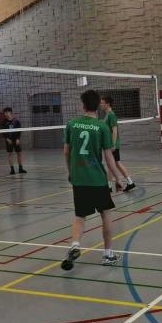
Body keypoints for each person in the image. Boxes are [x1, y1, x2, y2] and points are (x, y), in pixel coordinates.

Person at [61, 90, 122, 270]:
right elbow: (109, 157)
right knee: (106, 214)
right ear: (98, 107)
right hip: (98, 179)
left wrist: (71, 172)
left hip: (79, 179)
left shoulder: (72, 124)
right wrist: (118, 178)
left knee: (80, 216)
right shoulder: (102, 127)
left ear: (83, 105)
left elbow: (66, 152)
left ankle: (75, 245)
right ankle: (108, 254)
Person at [100, 95, 135, 192]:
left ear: (107, 104)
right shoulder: (107, 115)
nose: (101, 105)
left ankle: (125, 183)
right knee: (113, 164)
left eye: (102, 103)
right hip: (109, 144)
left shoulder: (111, 115)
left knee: (115, 164)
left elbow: (114, 130)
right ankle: (115, 185)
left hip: (112, 145)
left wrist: (113, 144)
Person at [1, 107, 26, 175]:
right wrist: (7, 139)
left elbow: (19, 131)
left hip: (16, 140)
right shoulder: (4, 122)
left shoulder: (16, 121)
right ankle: (12, 169)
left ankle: (20, 168)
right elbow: (3, 132)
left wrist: (18, 139)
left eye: (7, 112)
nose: (6, 114)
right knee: (10, 154)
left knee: (19, 153)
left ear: (10, 112)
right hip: (9, 140)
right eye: (5, 112)